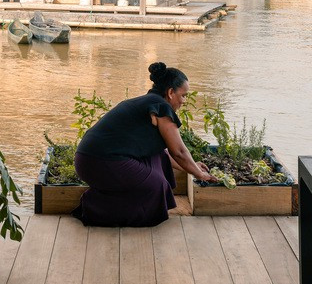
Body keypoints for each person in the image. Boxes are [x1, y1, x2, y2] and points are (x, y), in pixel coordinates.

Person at [72, 62, 216, 227]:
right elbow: (179, 152)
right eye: (183, 95)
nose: (184, 101)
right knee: (157, 186)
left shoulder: (149, 102)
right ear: (170, 92)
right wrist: (200, 175)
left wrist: (193, 167)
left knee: (159, 158)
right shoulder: (161, 107)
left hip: (89, 160)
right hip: (98, 162)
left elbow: (167, 153)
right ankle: (93, 208)